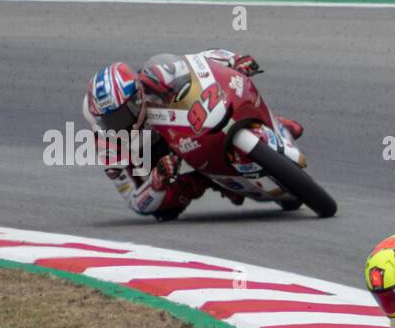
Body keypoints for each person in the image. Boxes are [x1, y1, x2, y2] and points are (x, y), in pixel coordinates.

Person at [82, 50, 305, 221]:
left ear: (137, 97)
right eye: (110, 120)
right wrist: (157, 181)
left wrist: (234, 60)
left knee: (230, 95)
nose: (119, 123)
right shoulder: (107, 145)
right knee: (165, 210)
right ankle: (206, 179)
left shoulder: (152, 78)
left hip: (184, 124)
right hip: (154, 157)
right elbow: (135, 201)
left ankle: (272, 124)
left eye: (122, 114)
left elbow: (199, 63)